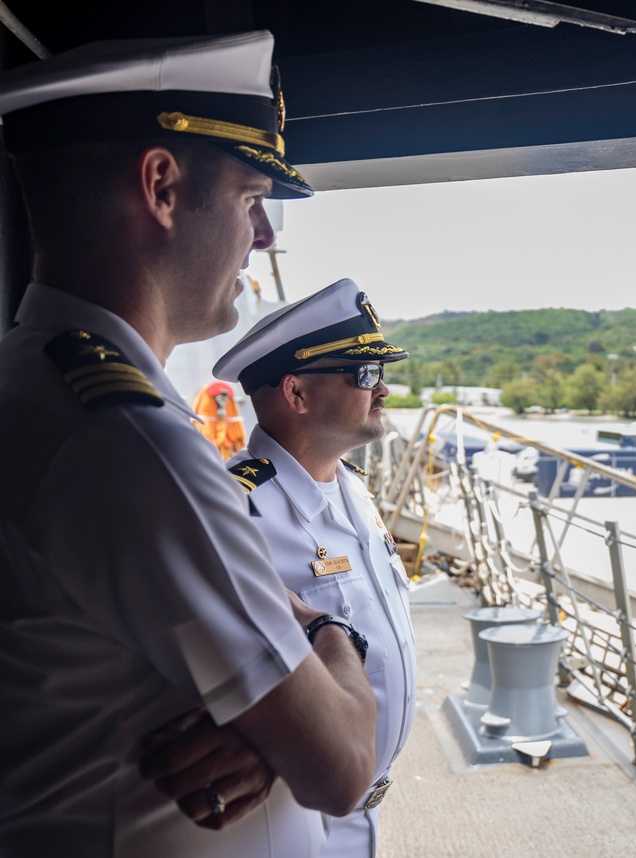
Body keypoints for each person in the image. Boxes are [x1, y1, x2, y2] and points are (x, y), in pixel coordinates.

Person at [0, 32, 377, 857]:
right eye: (250, 196)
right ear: (163, 186)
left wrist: (269, 736)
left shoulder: (33, 386)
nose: (265, 234)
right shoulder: (133, 445)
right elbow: (341, 767)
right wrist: (328, 637)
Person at [211, 277, 417, 858]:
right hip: (286, 814)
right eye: (366, 374)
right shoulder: (237, 510)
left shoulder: (353, 491)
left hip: (363, 809)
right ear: (297, 393)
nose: (383, 390)